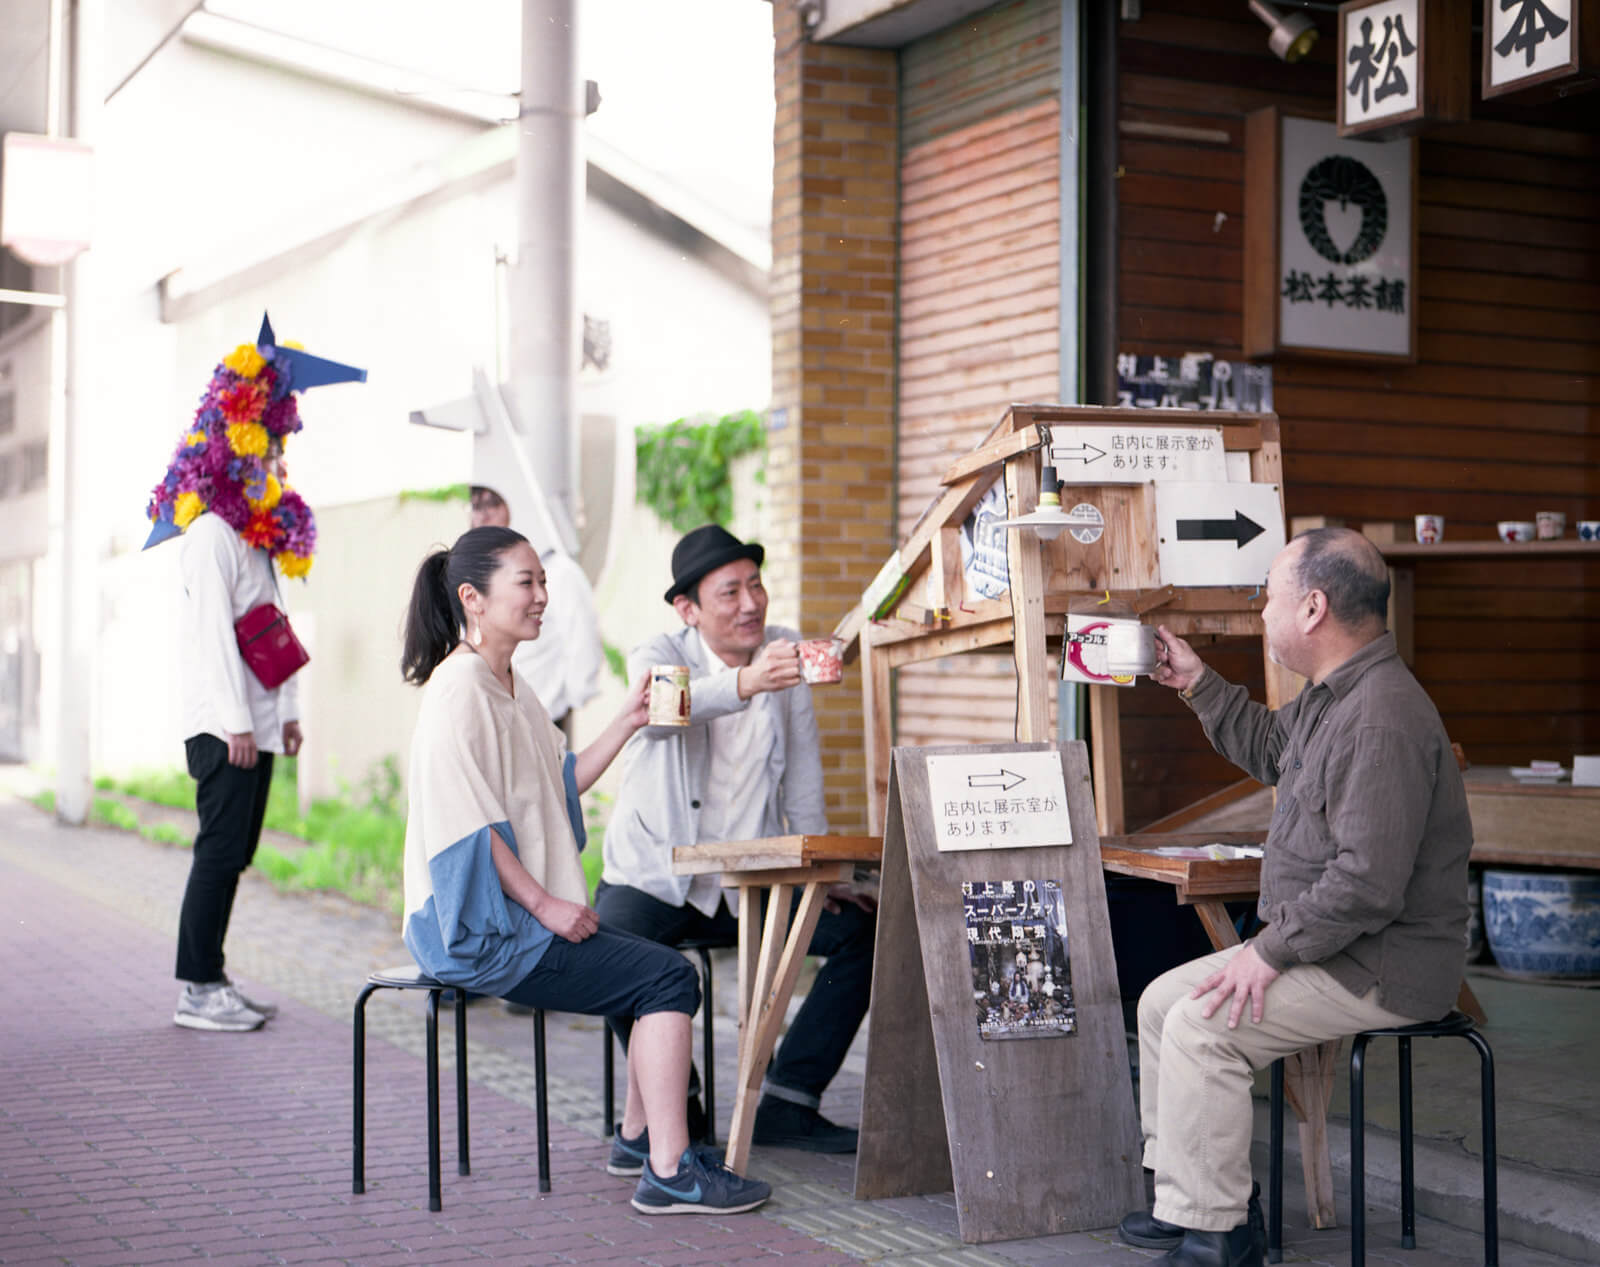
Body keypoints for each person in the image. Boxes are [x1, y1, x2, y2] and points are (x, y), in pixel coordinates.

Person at [1118, 528, 1472, 1267]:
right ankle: (1189, 1193)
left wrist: (1269, 952)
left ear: (1312, 607)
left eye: (1268, 596)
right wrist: (1195, 680)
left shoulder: (1381, 714)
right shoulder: (1332, 696)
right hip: (1336, 948)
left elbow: (1368, 883)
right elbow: (1269, 745)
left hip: (1378, 967)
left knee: (1202, 1027)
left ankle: (1218, 1234)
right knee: (1161, 1003)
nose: (1262, 611)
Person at [399, 525, 770, 1215]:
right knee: (666, 975)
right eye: (528, 583)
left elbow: (561, 780)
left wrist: (628, 720)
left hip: (511, 920)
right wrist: (546, 905)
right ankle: (668, 1168)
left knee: (648, 968)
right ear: (473, 598)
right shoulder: (460, 690)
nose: (544, 596)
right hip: (481, 930)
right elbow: (470, 827)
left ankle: (639, 1139)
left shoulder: (510, 683)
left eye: (543, 581)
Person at [597, 524, 877, 1163]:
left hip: (750, 885)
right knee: (613, 953)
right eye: (730, 592)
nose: (751, 603)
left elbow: (804, 775)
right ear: (688, 609)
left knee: (867, 931)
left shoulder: (784, 650)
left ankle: (789, 1100)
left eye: (756, 585)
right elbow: (663, 718)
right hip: (657, 878)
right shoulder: (659, 651)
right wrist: (746, 684)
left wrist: (819, 870)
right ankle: (679, 1109)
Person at [147, 318, 348, 1033]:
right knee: (219, 851)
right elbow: (211, 641)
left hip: (254, 725)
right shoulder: (207, 534)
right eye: (265, 445)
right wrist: (237, 719)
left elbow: (272, 630)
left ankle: (213, 975)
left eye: (279, 446)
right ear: (232, 447)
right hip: (222, 725)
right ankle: (197, 988)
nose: (275, 460)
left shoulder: (257, 538)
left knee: (236, 854)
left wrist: (285, 712)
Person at [468, 485, 602, 736]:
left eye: (492, 504)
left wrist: (565, 704)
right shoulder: (475, 575)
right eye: (475, 505)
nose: (481, 516)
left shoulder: (559, 571)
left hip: (543, 719)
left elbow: (583, 641)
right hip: (493, 723)